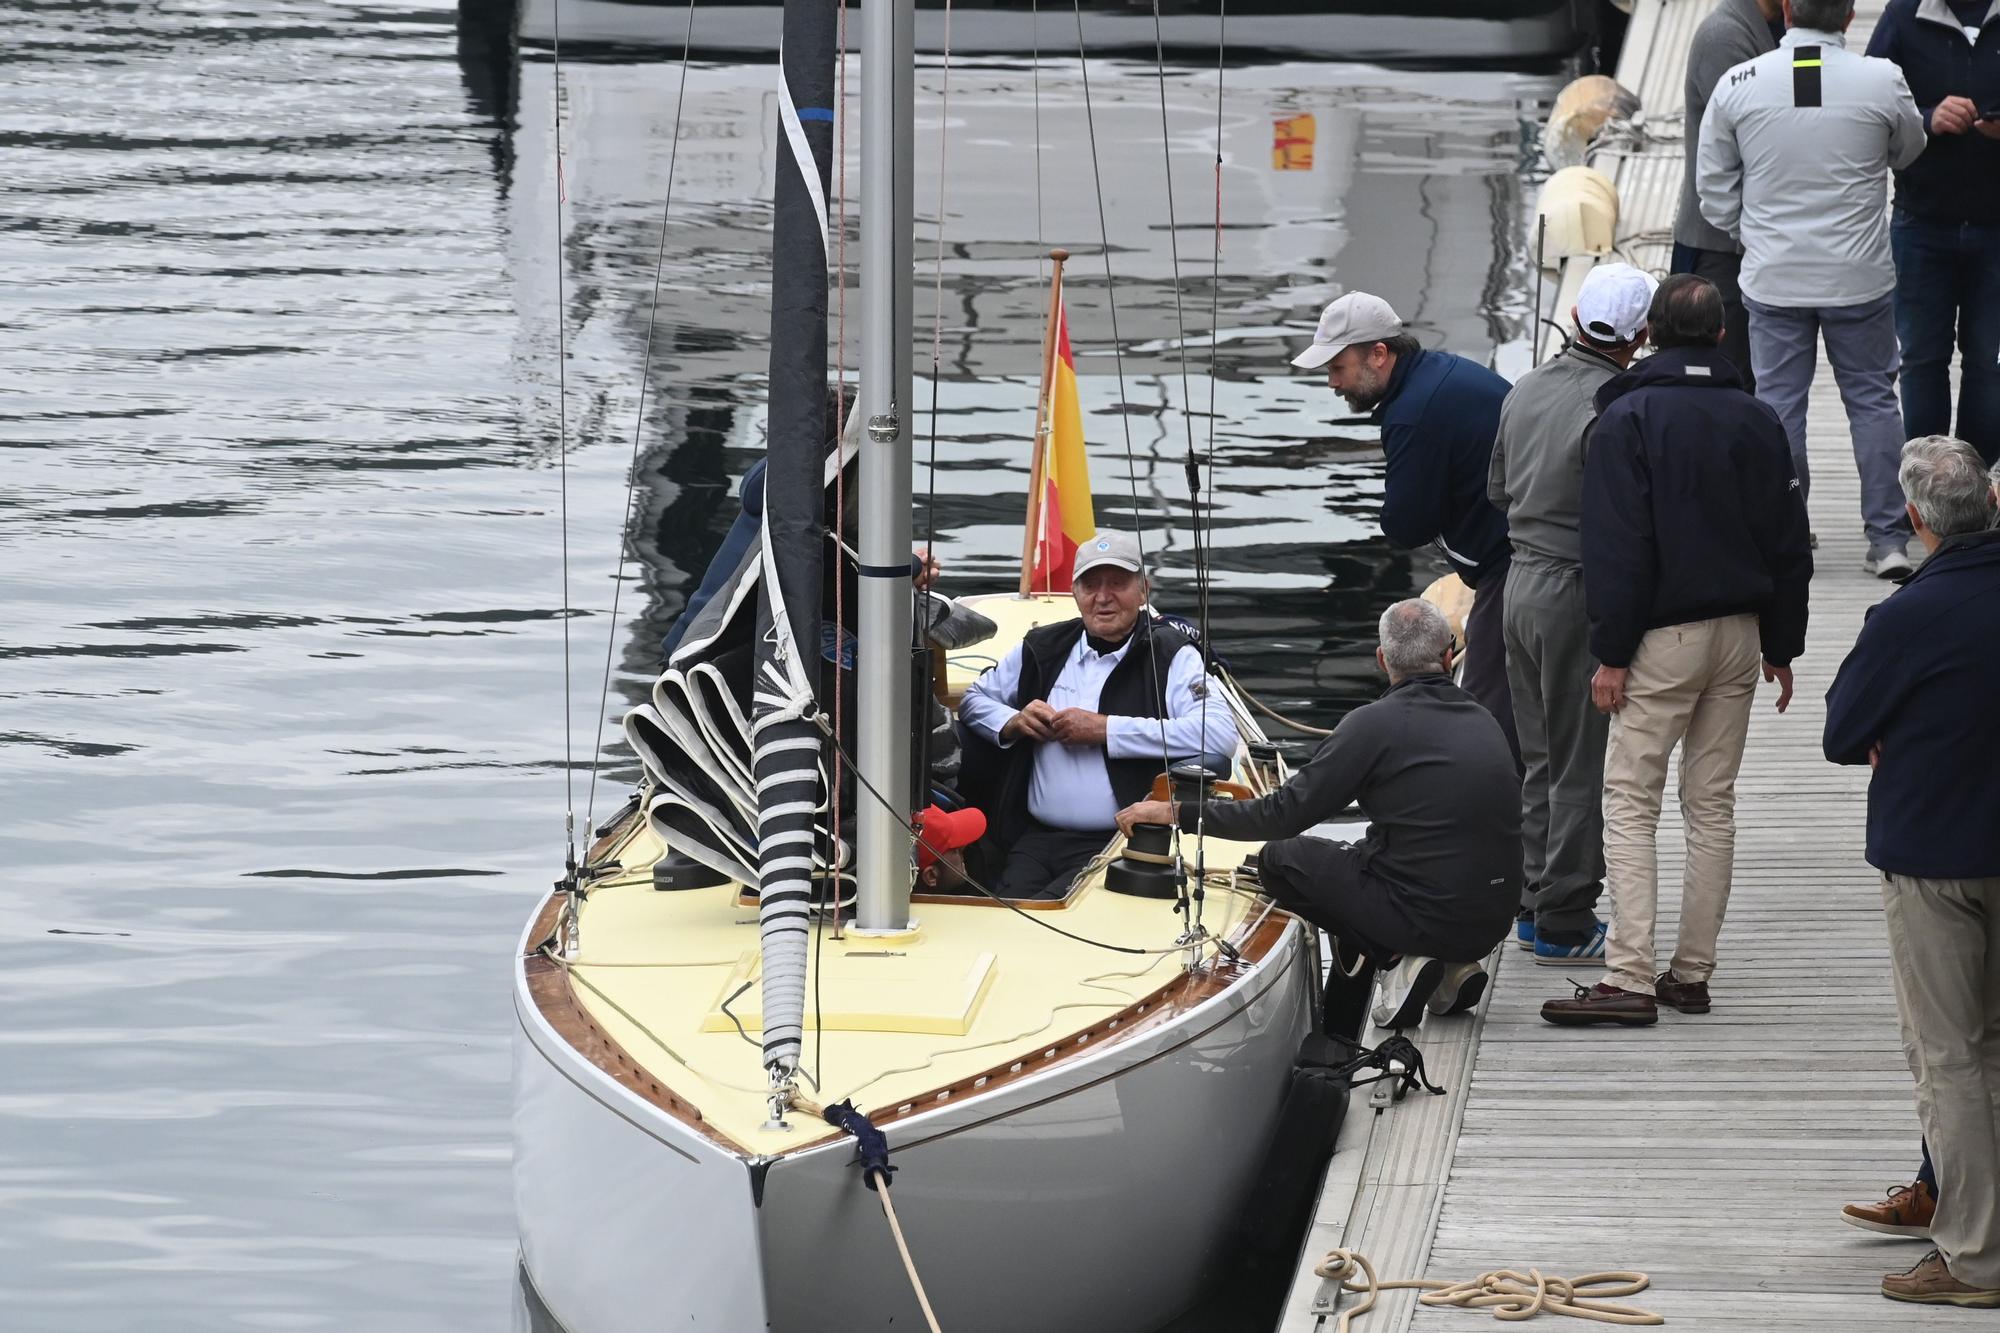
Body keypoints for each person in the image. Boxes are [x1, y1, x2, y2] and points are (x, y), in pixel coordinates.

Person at [1541, 275, 1812, 1028]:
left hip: (1661, 638)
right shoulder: (1760, 420)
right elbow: (1791, 544)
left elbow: (1618, 549)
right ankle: (1691, 974)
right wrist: (1782, 645)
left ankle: (1627, 974)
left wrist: (1611, 651)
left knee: (1629, 802)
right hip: (1740, 636)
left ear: (1651, 334)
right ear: (1722, 335)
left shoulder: (1627, 417)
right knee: (1711, 806)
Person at [1116, 599, 1520, 1034]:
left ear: (1382, 659)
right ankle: (1452, 967)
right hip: (1495, 919)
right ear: (1447, 656)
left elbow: (1282, 816)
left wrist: (1177, 812)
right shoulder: (1485, 718)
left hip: (1427, 917)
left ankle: (1400, 961)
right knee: (1386, 850)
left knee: (1280, 860)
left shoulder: (1371, 724)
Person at [1824, 435, 2000, 1309]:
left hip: (1937, 857)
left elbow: (1840, 733)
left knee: (1952, 1058)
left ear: (1916, 520)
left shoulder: (1905, 617)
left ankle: (1974, 1257)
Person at [1696, 0, 1927, 578]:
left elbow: (1713, 185)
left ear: (1788, 11)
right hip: (1859, 274)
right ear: (1850, 17)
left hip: (1774, 276)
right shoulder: (1882, 79)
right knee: (1874, 401)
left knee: (1778, 404)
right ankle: (1889, 540)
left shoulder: (1738, 82)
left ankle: (1784, 531)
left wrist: (1750, 232)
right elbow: (1910, 149)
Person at [1488, 263, 1656, 965]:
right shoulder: (1614, 403)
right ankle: (1563, 918)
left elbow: (1497, 487)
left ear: (1579, 316)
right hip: (1572, 590)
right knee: (1581, 763)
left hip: (1518, 584)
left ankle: (1531, 900)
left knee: (1539, 757)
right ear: (1641, 335)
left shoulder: (1525, 387)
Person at [1292, 292, 1520, 764]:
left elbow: (1405, 524)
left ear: (1379, 353)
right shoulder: (1439, 371)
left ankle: (1492, 824)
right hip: (1525, 548)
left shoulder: (1412, 413)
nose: (1332, 383)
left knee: (1483, 719)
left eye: (1337, 367)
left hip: (1514, 564)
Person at [956, 532, 1238, 900]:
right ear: (1075, 593)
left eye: (1117, 584)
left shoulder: (1172, 654)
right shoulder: (1043, 648)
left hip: (1123, 843)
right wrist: (1012, 722)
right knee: (1003, 911)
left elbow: (1218, 735)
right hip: (1035, 837)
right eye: (1090, 585)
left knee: (1045, 916)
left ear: (1143, 592)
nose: (1103, 597)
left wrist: (1107, 730)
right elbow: (973, 701)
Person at [1866, 0, 2000, 465]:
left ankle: (1973, 488)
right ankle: (1926, 486)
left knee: (1988, 360)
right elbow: (1866, 102)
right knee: (1922, 358)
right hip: (1921, 223)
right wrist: (1927, 118)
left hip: (1995, 227)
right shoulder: (1904, 15)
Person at [1671, 0, 1785, 388]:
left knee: (1751, 375)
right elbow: (1755, 137)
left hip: (1756, 238)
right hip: (1718, 245)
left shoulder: (1784, 27)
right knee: (1722, 376)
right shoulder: (1724, 37)